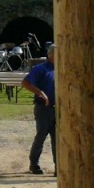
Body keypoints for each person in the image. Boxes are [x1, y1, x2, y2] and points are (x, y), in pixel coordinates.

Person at [20, 43, 57, 174]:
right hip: (43, 109)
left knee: (57, 138)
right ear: (51, 55)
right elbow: (25, 82)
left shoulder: (61, 68)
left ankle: (58, 167)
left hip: (57, 108)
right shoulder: (41, 69)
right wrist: (40, 93)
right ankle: (34, 164)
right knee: (41, 135)